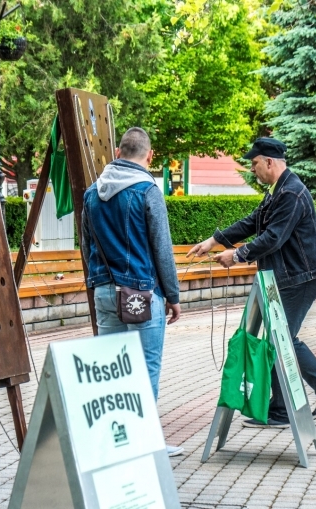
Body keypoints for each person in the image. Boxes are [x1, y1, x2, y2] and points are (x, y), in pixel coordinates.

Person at [187, 137, 316, 429]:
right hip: (291, 277)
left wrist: (236, 256)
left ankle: (310, 398)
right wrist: (213, 241)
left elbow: (273, 238)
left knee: (280, 339)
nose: (252, 169)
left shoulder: (291, 193)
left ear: (269, 162)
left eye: (255, 163)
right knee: (279, 337)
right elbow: (252, 222)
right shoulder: (278, 191)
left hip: (301, 278)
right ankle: (299, 401)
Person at [81, 127, 184, 456]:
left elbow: (86, 248)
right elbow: (162, 249)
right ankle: (145, 444)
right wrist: (173, 296)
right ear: (149, 155)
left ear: (117, 150)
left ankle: (116, 441)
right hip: (140, 293)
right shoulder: (147, 190)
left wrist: (97, 283)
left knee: (113, 370)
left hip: (103, 292)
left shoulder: (91, 194)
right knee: (145, 367)